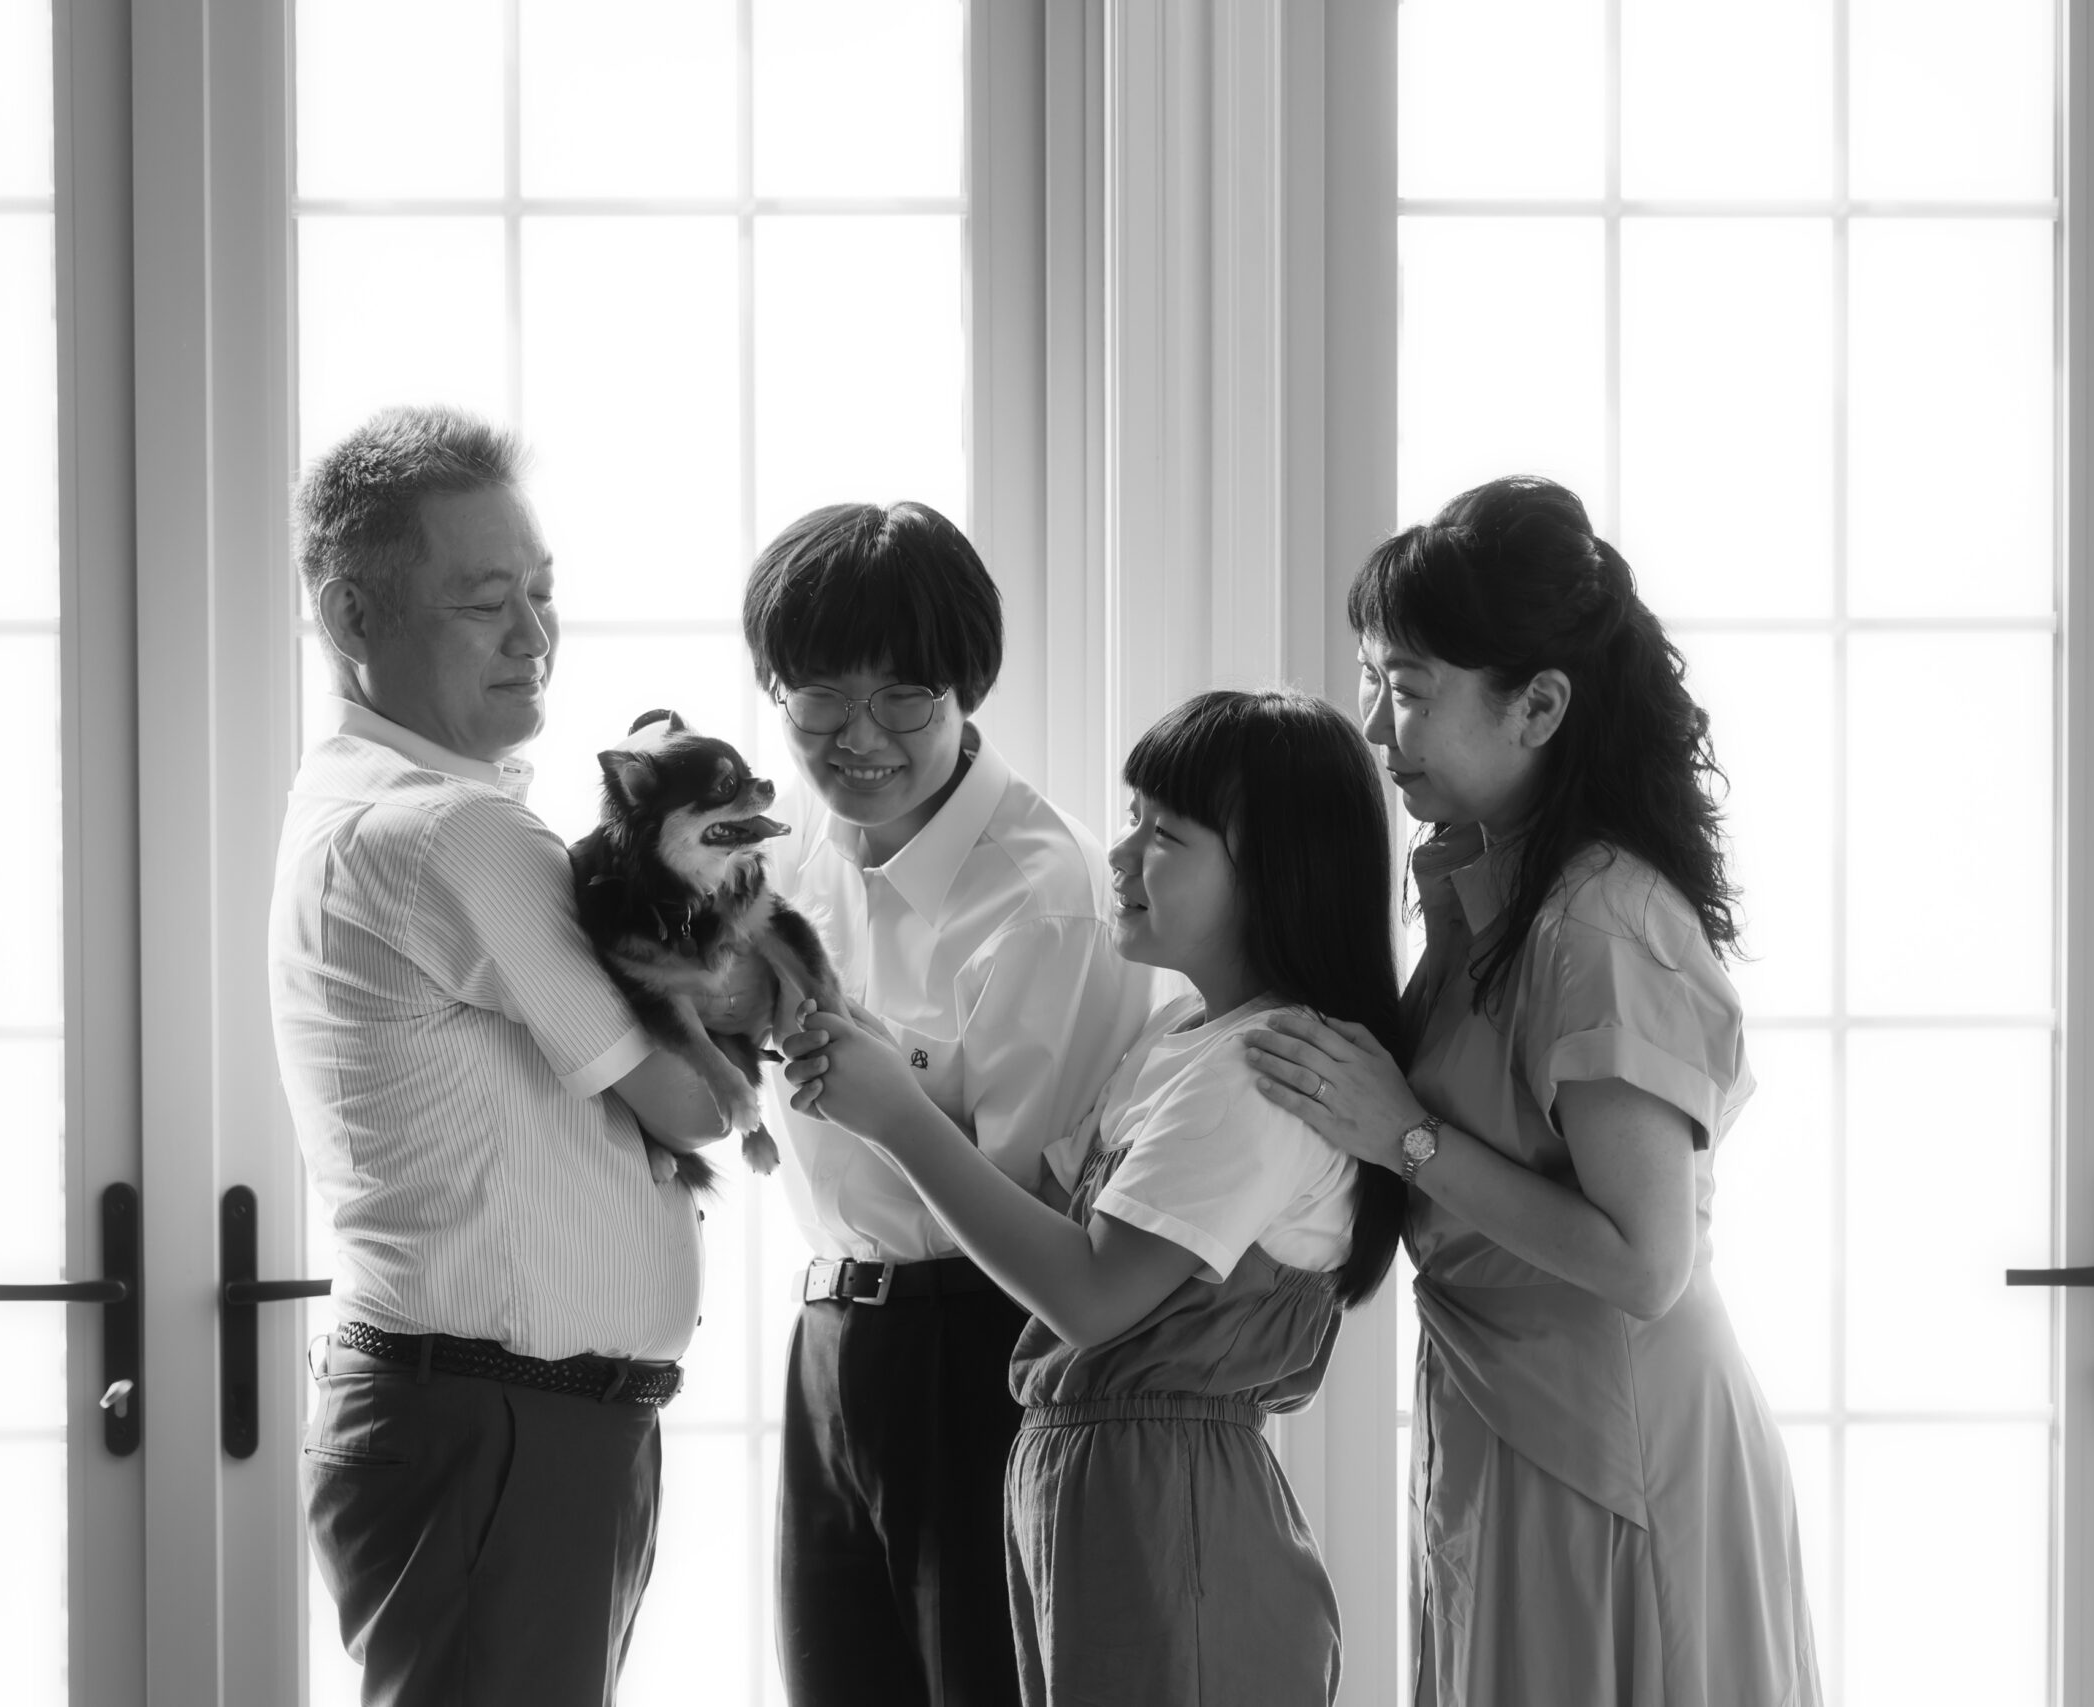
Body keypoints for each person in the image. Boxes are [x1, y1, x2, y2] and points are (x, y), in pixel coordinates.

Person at [1246, 476, 1822, 1707]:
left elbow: (1645, 1263)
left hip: (1611, 1448)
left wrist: (1403, 1136)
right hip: (1509, 1416)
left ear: (1540, 705)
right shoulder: (1493, 892)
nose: (1373, 725)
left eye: (1408, 690)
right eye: (1372, 681)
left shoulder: (1598, 924)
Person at [785, 688, 1411, 1707]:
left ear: (1276, 871)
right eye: (1132, 819)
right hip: (1096, 1495)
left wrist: (895, 1114)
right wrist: (880, 1052)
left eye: (1164, 835)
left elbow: (1089, 1294)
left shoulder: (1260, 1068)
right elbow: (1035, 1204)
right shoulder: (1179, 1040)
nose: (1119, 857)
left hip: (1168, 1514)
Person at [268, 406, 731, 1706]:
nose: (533, 635)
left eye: (542, 592)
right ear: (354, 616)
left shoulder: (360, 800)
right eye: (485, 602)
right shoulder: (451, 832)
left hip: (498, 1421)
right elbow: (697, 1102)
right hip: (503, 1429)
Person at [743, 501, 1158, 1707]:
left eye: (904, 698)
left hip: (978, 1345)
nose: (859, 738)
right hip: (829, 1332)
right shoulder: (785, 853)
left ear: (966, 689)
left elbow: (1037, 1211)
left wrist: (892, 1098)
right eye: (821, 698)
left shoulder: (1047, 894)